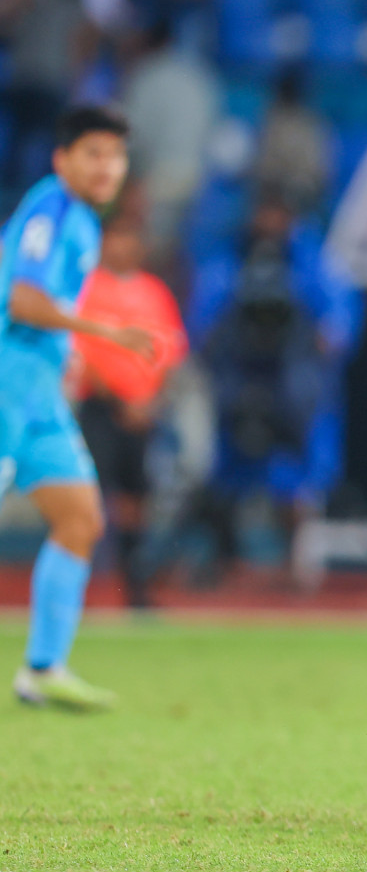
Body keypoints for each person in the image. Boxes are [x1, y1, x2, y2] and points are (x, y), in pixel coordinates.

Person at [2, 106, 154, 709]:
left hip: (38, 396)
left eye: (115, 156)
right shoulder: (50, 208)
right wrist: (104, 331)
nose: (106, 166)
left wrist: (67, 353)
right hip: (8, 390)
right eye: (93, 153)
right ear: (62, 159)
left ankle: (43, 667)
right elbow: (24, 301)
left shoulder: (86, 223)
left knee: (81, 520)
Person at [73, 216, 188, 610]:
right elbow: (80, 350)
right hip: (101, 408)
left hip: (144, 413)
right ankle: (78, 586)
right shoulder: (87, 290)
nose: (121, 246)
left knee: (135, 500)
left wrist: (150, 402)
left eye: (129, 237)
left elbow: (170, 351)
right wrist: (121, 400)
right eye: (114, 237)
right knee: (88, 495)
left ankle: (132, 587)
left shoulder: (155, 292)